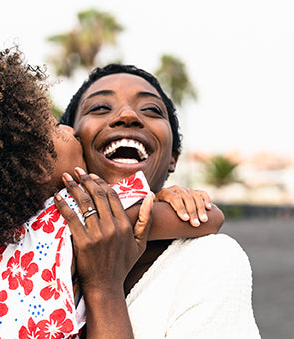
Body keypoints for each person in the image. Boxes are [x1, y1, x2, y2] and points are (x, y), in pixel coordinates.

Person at [0, 45, 222, 338]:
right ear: (35, 167)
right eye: (53, 128)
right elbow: (205, 218)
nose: (66, 128)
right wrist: (163, 196)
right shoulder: (72, 217)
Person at [59, 64, 261, 338]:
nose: (127, 115)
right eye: (100, 108)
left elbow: (211, 216)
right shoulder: (17, 237)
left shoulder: (207, 261)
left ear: (173, 158)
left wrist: (103, 288)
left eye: (152, 110)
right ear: (70, 140)